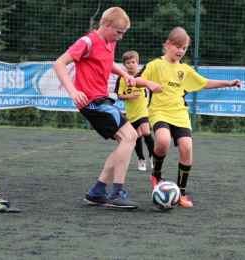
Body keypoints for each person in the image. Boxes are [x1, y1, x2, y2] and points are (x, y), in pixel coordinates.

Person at [53, 7, 163, 210]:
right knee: (130, 136)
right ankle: (116, 193)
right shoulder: (87, 42)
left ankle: (96, 192)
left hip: (102, 100)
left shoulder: (109, 43)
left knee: (126, 141)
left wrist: (125, 75)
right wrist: (72, 91)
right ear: (106, 25)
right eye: (119, 32)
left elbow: (107, 62)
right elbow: (59, 63)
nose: (120, 37)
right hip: (93, 101)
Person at [133, 27, 241, 207]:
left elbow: (205, 83)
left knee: (187, 149)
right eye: (178, 46)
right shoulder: (155, 65)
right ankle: (157, 174)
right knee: (163, 142)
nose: (181, 51)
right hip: (159, 111)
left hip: (180, 113)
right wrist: (149, 83)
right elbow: (135, 80)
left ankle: (181, 193)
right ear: (168, 44)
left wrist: (229, 83)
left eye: (184, 48)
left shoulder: (184, 70)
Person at [114, 50, 154, 171]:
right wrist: (130, 96)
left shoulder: (143, 76)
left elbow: (151, 86)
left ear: (138, 63)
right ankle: (141, 159)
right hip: (131, 113)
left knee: (146, 132)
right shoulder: (122, 78)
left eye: (133, 62)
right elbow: (119, 95)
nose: (131, 64)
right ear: (124, 65)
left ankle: (153, 157)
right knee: (136, 136)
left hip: (143, 111)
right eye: (128, 62)